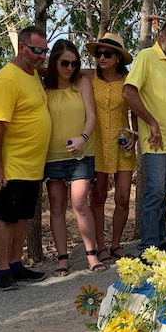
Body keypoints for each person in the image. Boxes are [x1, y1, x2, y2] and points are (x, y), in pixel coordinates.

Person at [0, 26, 52, 290]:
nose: (42, 56)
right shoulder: (7, 79)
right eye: (37, 50)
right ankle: (3, 271)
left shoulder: (33, 74)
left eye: (45, 51)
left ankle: (16, 263)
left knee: (23, 216)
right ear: (22, 47)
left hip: (32, 166)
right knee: (7, 217)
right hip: (11, 165)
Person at [122, 17, 166, 256]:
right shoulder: (147, 57)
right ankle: (147, 247)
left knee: (165, 192)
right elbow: (128, 92)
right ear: (161, 36)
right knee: (155, 191)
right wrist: (151, 122)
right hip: (155, 139)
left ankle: (159, 240)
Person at [43, 39, 103, 277]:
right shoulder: (44, 87)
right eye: (64, 63)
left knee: (79, 203)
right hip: (52, 157)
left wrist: (83, 138)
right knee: (57, 207)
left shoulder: (82, 83)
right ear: (54, 62)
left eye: (74, 63)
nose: (69, 68)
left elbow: (91, 116)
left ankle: (92, 254)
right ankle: (62, 259)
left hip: (81, 153)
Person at [86, 32, 136, 263]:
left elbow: (135, 107)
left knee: (123, 197)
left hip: (122, 142)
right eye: (99, 53)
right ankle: (100, 245)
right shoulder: (89, 79)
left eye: (107, 54)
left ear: (118, 57)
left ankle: (116, 244)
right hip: (97, 143)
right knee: (98, 195)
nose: (102, 57)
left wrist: (134, 134)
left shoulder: (128, 80)